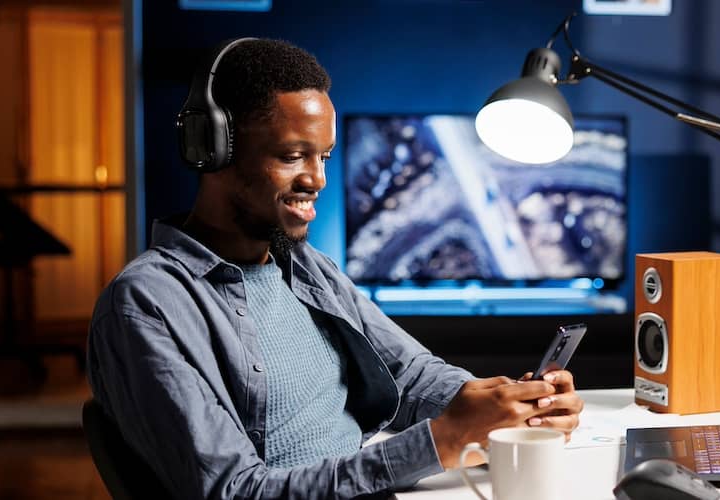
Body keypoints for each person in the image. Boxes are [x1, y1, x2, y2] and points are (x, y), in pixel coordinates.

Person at [87, 38, 584, 499]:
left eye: (323, 156)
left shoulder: (306, 267)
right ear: (212, 148)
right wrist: (442, 440)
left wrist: (509, 406)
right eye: (292, 156)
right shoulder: (148, 304)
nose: (317, 179)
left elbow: (409, 373)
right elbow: (235, 491)